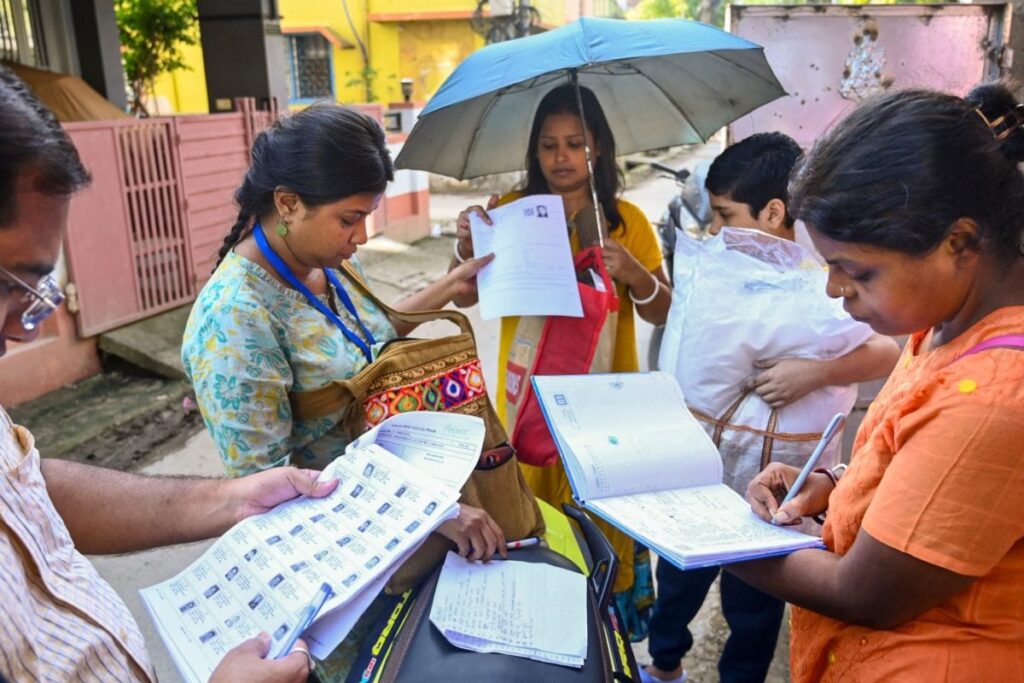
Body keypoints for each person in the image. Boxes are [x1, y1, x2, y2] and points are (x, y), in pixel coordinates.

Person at [0, 65, 330, 683]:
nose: (25, 330)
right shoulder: (236, 312)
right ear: (288, 204)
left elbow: (25, 486)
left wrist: (228, 499)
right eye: (6, 286)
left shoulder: (329, 274)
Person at [181, 104, 508, 681]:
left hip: (394, 542)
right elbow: (269, 492)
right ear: (287, 203)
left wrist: (444, 288)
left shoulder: (316, 262)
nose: (360, 237)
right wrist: (427, 513)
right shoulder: (235, 320)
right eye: (350, 219)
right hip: (335, 583)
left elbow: (358, 341)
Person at [732, 84, 1024, 682]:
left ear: (959, 242)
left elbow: (866, 592)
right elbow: (921, 468)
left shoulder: (995, 397)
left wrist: (719, 544)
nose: (834, 290)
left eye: (857, 272)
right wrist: (832, 485)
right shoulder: (944, 324)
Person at [642, 132, 901, 683]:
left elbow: (885, 349)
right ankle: (664, 664)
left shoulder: (823, 279)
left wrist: (817, 371)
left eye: (724, 214)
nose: (714, 230)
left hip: (776, 487)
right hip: (700, 472)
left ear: (774, 211)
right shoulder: (712, 268)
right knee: (679, 579)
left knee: (755, 606)